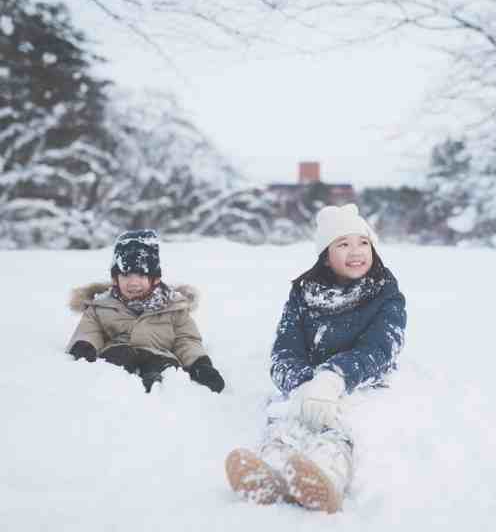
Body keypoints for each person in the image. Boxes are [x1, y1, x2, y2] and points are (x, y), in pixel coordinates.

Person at [225, 203, 407, 513]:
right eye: (343, 244)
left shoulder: (385, 292)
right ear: (326, 253)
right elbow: (284, 350)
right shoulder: (303, 293)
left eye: (363, 242)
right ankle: (272, 468)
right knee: (286, 422)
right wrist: (303, 385)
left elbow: (382, 346)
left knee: (335, 426)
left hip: (358, 381)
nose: (356, 251)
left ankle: (326, 475)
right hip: (306, 383)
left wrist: (333, 378)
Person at [66, 229, 225, 394]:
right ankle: (119, 388)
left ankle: (157, 386)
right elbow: (90, 330)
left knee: (167, 366)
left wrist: (199, 364)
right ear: (115, 279)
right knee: (114, 360)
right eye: (126, 275)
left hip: (160, 355)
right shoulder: (101, 305)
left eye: (141, 275)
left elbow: (186, 340)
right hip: (119, 352)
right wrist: (85, 346)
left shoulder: (173, 307)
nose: (133, 283)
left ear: (155, 279)